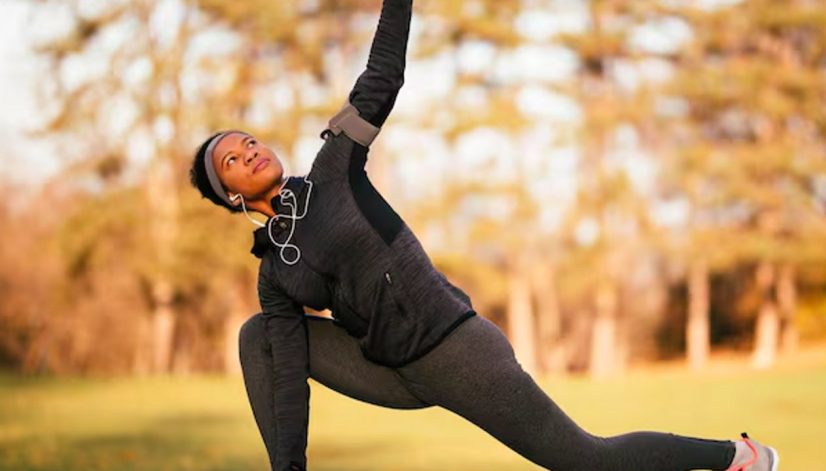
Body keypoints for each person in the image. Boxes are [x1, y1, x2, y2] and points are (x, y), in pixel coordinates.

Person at [188, 1, 779, 470]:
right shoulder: (276, 274)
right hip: (389, 370)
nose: (250, 151)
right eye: (232, 160)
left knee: (584, 459)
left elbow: (382, 76)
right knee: (259, 336)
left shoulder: (333, 169)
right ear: (230, 195)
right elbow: (288, 375)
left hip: (456, 351)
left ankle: (739, 457)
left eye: (249, 141)